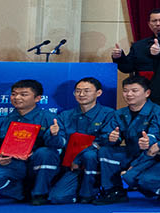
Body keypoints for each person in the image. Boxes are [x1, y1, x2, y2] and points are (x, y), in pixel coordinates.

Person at [0, 80, 61, 202]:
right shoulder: (2, 122)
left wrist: (54, 135)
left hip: (37, 164)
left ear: (37, 98)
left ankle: (40, 194)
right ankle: (22, 193)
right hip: (12, 165)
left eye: (23, 94)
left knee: (45, 153)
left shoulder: (50, 118)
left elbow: (59, 147)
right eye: (14, 94)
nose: (17, 98)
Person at [44, 75, 117, 204]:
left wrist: (78, 158)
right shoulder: (65, 115)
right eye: (78, 91)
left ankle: (92, 191)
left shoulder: (109, 114)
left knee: (90, 155)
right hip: (72, 166)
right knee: (57, 197)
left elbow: (104, 141)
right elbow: (59, 143)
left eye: (86, 91)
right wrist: (54, 135)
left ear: (98, 93)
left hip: (96, 165)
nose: (81, 94)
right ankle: (78, 190)